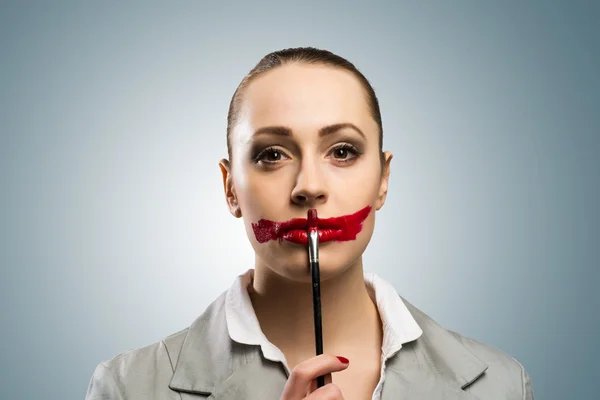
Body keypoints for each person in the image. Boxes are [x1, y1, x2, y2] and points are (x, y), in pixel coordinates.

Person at [85, 47, 534, 400]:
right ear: (230, 188)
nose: (309, 187)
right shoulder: (129, 388)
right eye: (271, 155)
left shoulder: (500, 386)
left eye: (342, 151)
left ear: (383, 179)